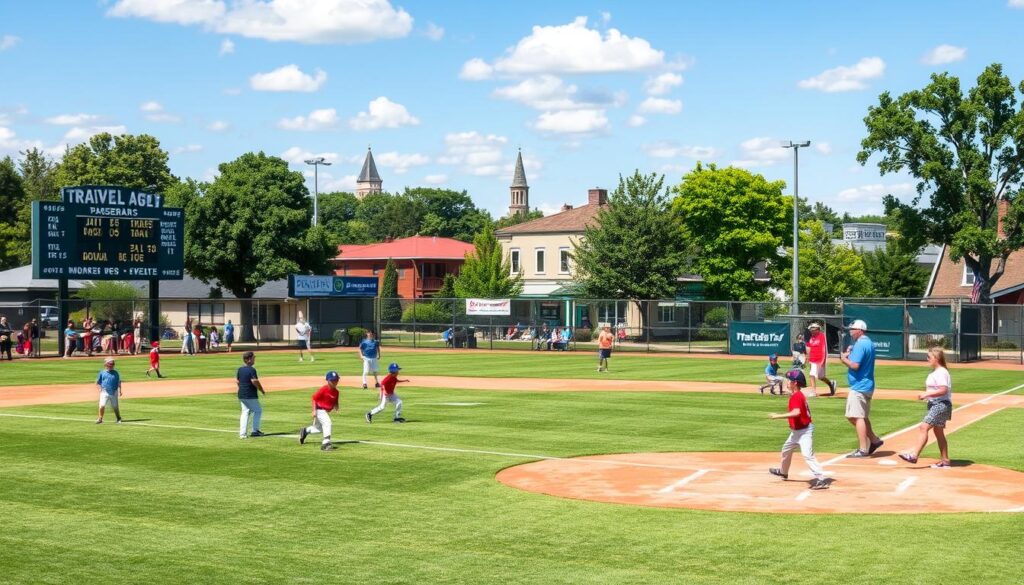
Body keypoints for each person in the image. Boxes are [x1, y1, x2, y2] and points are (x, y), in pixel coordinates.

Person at [768, 369, 829, 490]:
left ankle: (821, 479)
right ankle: (783, 472)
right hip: (796, 432)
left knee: (807, 455)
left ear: (795, 383)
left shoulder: (797, 396)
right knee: (786, 450)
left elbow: (796, 412)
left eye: (789, 380)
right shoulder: (797, 395)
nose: (787, 382)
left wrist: (777, 416)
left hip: (804, 432)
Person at [898, 347, 953, 468]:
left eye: (929, 357)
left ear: (936, 358)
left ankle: (914, 455)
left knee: (924, 427)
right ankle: (945, 460)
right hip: (936, 404)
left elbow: (943, 390)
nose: (927, 359)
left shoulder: (941, 372)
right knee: (938, 432)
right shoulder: (936, 372)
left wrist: (926, 394)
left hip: (941, 404)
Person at [841, 319, 883, 458]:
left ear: (859, 330)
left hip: (859, 385)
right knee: (862, 416)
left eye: (852, 330)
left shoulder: (860, 344)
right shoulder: (868, 343)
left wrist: (843, 358)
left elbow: (855, 365)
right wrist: (850, 352)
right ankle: (874, 441)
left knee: (855, 416)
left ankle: (863, 449)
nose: (850, 332)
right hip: (867, 384)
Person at [299, 370, 341, 451]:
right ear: (328, 381)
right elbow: (314, 398)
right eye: (333, 380)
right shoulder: (324, 389)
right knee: (328, 423)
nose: (335, 382)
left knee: (320, 428)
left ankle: (305, 431)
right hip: (319, 410)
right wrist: (314, 410)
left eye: (336, 380)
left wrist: (336, 406)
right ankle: (326, 443)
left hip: (324, 411)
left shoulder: (336, 392)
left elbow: (335, 400)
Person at [237, 351, 266, 438]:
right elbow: (254, 381)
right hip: (250, 394)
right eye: (253, 358)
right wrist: (261, 390)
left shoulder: (240, 369)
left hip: (241, 394)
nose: (254, 360)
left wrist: (241, 389)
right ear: (249, 360)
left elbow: (238, 381)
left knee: (245, 412)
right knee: (258, 411)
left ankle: (242, 434)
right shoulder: (252, 370)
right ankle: (255, 430)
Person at [805, 322, 837, 397]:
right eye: (811, 330)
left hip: (820, 360)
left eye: (813, 330)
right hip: (813, 360)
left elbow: (824, 349)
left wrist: (823, 360)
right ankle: (813, 391)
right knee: (812, 374)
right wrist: (807, 358)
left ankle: (830, 383)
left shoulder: (822, 336)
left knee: (820, 377)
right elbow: (809, 348)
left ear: (818, 329)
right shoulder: (811, 338)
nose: (811, 331)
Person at [95, 358, 123, 424]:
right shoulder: (102, 373)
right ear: (106, 365)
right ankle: (100, 418)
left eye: (113, 364)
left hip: (114, 392)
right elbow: (98, 382)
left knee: (115, 406)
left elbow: (119, 382)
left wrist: (120, 390)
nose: (112, 366)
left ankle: (118, 418)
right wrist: (100, 388)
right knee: (102, 405)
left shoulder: (116, 373)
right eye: (110, 364)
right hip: (104, 391)